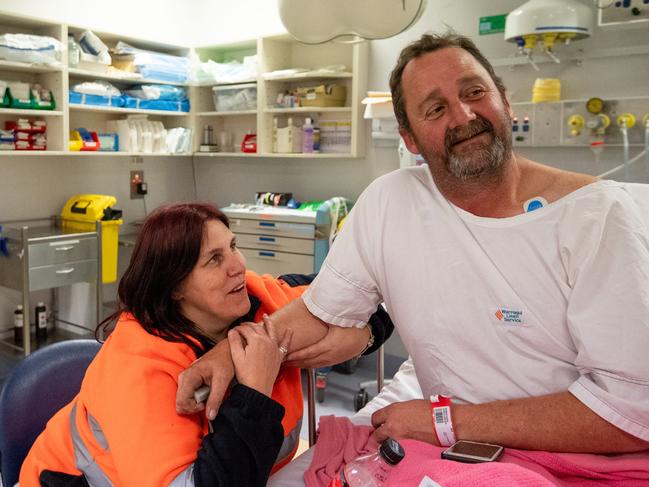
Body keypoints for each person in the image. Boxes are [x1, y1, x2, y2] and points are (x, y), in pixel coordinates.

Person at [177, 32, 649, 458]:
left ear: (504, 101)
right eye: (435, 108)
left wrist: (443, 420)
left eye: (474, 92)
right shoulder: (392, 201)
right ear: (410, 138)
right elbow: (320, 312)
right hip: (459, 455)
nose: (464, 116)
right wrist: (227, 354)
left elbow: (632, 414)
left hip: (586, 463)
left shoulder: (597, 217)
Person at [21, 202, 325, 486]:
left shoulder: (256, 299)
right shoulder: (140, 366)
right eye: (214, 259)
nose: (237, 266)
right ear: (175, 287)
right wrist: (253, 392)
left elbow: (350, 294)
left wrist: (362, 335)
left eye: (233, 246)